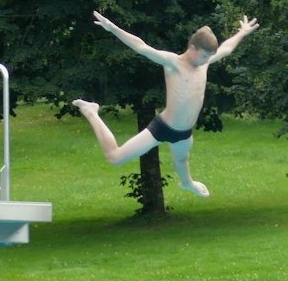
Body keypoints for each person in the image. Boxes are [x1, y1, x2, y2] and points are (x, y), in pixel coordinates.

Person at [72, 11, 261, 199]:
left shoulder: (203, 63)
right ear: (192, 48)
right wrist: (113, 29)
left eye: (209, 56)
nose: (207, 60)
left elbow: (226, 49)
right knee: (115, 157)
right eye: (204, 55)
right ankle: (91, 112)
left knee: (181, 160)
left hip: (184, 132)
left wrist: (242, 32)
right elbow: (142, 47)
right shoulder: (173, 63)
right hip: (162, 127)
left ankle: (187, 183)